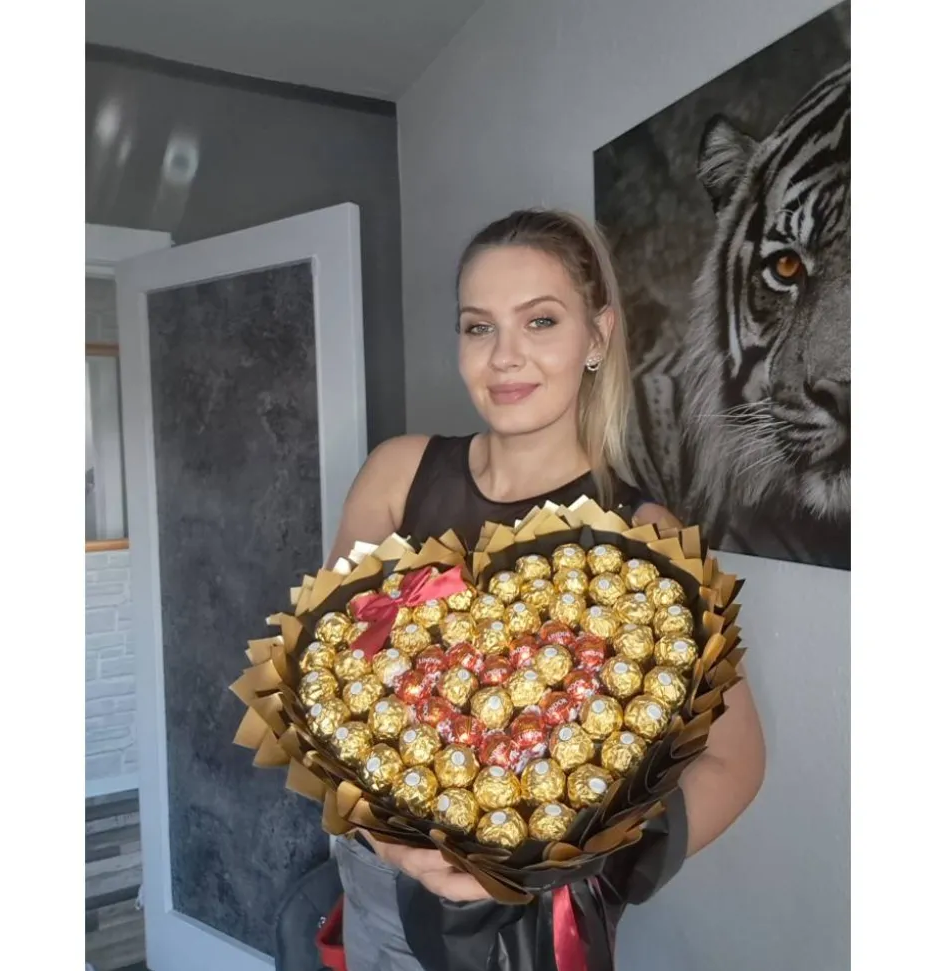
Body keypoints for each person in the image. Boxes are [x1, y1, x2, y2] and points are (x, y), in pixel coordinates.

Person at [323, 209, 766, 970]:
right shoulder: (397, 476)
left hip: (534, 931)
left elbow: (735, 762)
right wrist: (387, 838)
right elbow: (326, 689)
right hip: (381, 894)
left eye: (540, 320)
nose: (505, 356)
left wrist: (578, 860)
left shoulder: (647, 539)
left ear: (597, 336)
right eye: (478, 327)